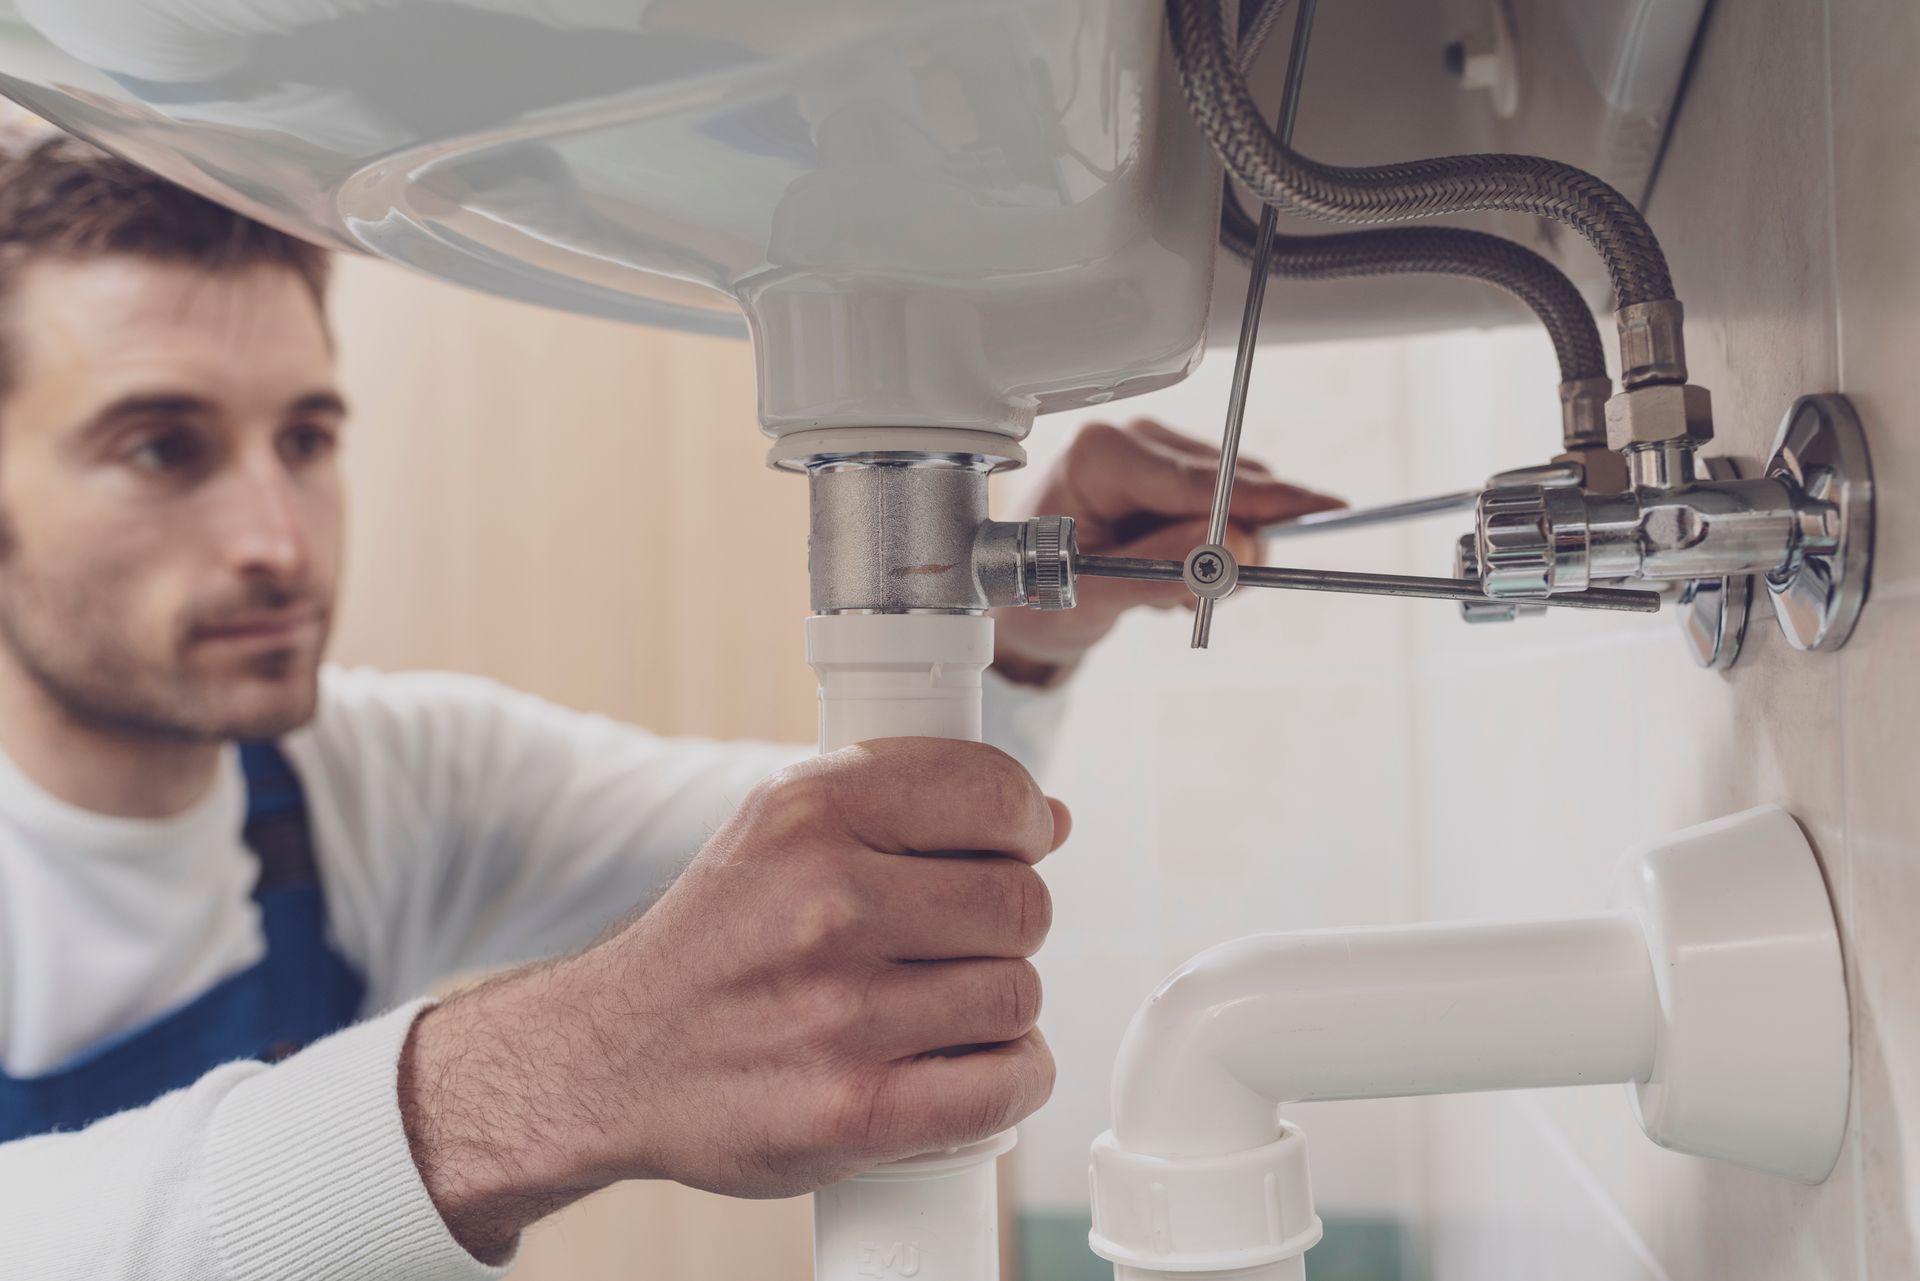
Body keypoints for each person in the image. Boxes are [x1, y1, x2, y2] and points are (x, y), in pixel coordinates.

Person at [0, 130, 1340, 1279]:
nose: (277, 541)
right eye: (162, 445)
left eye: (304, 438)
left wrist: (1027, 628)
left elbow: (847, 867)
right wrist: (549, 1075)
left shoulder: (371, 777)